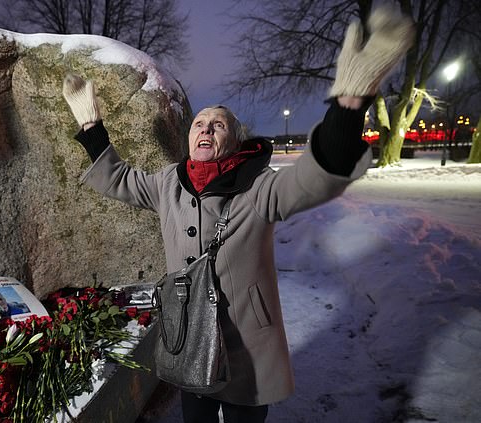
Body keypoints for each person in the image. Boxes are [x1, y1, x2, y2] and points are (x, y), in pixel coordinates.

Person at [62, 6, 413, 423]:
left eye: (218, 125)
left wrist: (348, 107)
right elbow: (117, 179)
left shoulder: (259, 186)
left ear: (234, 140)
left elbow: (314, 178)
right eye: (199, 123)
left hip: (246, 345)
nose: (206, 129)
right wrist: (91, 126)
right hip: (192, 342)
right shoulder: (168, 182)